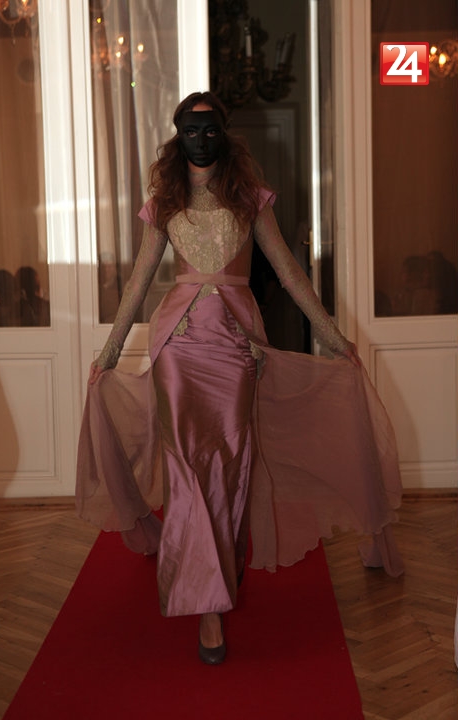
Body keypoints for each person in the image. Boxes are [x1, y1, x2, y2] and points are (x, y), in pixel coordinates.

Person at [76, 91, 403, 666]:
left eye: (209, 130)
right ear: (177, 135)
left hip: (235, 346)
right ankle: (206, 604)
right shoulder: (164, 201)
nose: (200, 139)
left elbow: (289, 272)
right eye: (189, 129)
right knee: (186, 465)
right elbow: (138, 281)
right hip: (177, 345)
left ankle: (219, 568)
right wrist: (109, 352)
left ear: (224, 134)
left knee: (227, 465)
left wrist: (333, 338)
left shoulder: (250, 197)